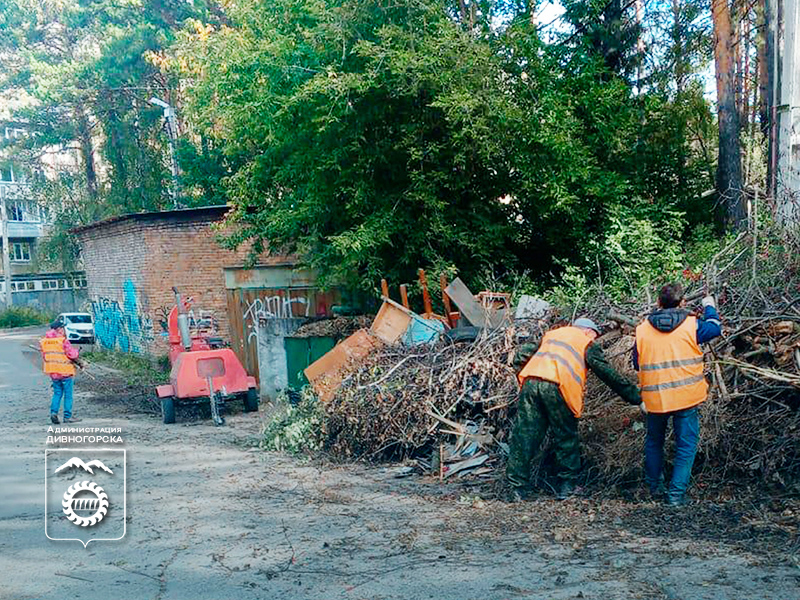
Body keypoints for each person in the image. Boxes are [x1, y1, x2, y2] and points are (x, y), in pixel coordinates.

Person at [507, 317, 641, 500]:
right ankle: (567, 487)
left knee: (525, 435)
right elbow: (608, 374)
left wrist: (524, 375)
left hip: (531, 383)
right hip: (558, 388)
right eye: (594, 336)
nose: (594, 340)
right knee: (565, 437)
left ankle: (517, 488)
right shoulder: (586, 343)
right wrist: (635, 397)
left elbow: (521, 355)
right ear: (587, 331)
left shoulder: (552, 335)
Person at [634, 283, 722, 506]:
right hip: (685, 397)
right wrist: (709, 305)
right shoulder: (691, 325)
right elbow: (714, 328)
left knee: (654, 442)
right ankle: (675, 496)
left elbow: (636, 363)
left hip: (655, 397)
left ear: (658, 302)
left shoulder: (642, 328)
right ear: (682, 303)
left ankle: (654, 488)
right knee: (686, 445)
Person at [40, 318, 83, 424]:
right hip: (65, 372)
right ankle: (67, 417)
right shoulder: (63, 341)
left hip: (53, 373)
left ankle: (53, 413)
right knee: (68, 395)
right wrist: (79, 358)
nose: (64, 330)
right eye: (63, 328)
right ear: (59, 329)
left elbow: (45, 357)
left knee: (57, 393)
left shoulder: (44, 341)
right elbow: (72, 355)